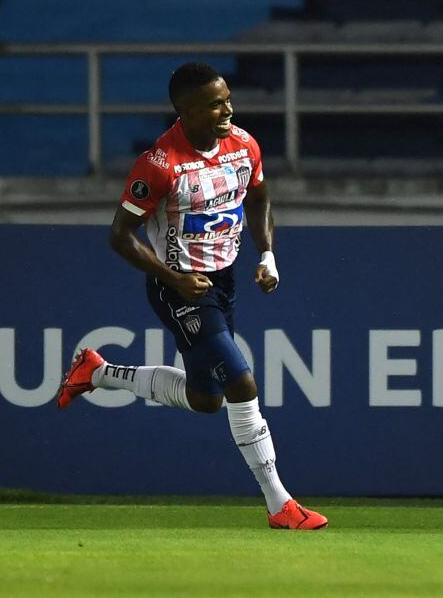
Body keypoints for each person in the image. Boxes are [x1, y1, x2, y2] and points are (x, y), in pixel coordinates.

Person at [56, 62, 327, 530]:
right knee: (242, 381)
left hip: (221, 283)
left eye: (227, 99)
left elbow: (259, 199)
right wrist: (173, 278)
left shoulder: (243, 144)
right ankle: (280, 504)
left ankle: (98, 373)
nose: (228, 110)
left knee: (207, 399)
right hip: (177, 287)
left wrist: (267, 255)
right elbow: (120, 235)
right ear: (185, 111)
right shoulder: (160, 164)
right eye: (215, 104)